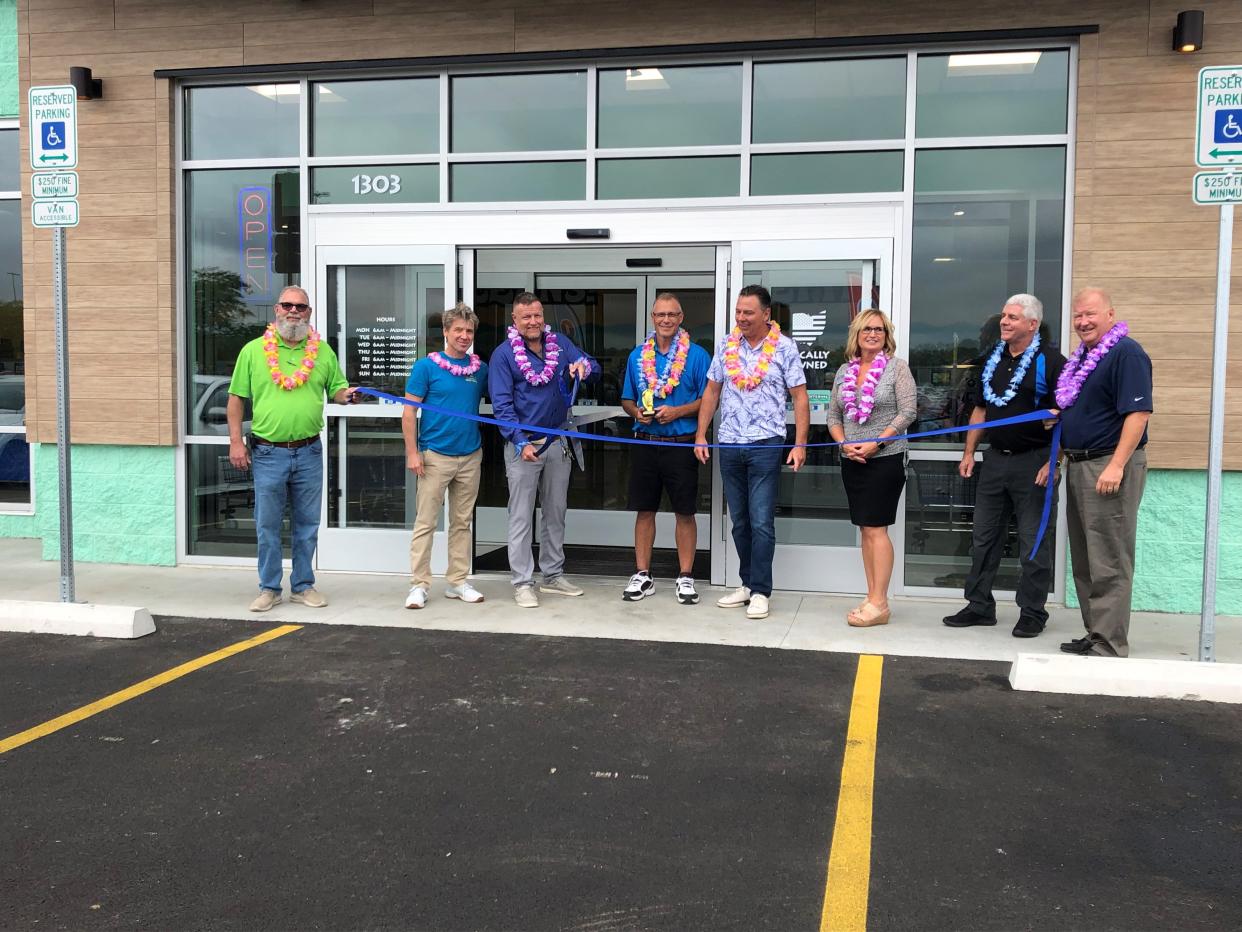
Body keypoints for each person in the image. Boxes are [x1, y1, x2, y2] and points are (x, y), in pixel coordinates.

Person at [227, 286, 359, 612]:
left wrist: (348, 396)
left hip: (309, 451)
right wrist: (234, 441)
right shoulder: (253, 351)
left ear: (309, 313)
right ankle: (269, 588)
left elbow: (337, 390)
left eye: (301, 307)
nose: (294, 311)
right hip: (268, 452)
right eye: (288, 305)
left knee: (307, 525)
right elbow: (235, 400)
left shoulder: (323, 352)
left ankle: (302, 586)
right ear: (276, 309)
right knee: (267, 525)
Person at [944, 294, 1067, 638]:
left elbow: (1065, 415)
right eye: (1004, 316)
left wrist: (1054, 462)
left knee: (1033, 542)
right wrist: (969, 452)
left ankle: (1032, 612)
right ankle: (979, 606)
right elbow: (981, 410)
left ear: (1032, 324)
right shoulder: (992, 360)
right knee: (983, 539)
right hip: (995, 461)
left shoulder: (1053, 361)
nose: (1005, 321)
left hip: (1035, 463)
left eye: (1013, 317)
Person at [695, 284, 809, 620]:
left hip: (765, 444)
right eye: (738, 312)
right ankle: (746, 584)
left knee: (761, 522)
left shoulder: (785, 349)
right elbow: (712, 391)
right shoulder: (726, 345)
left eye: (748, 312)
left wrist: (799, 444)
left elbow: (800, 398)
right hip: (729, 442)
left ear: (766, 314)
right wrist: (701, 434)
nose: (741, 318)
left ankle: (760, 590)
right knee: (740, 522)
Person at [1056, 287, 1152, 657]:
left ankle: (1110, 642)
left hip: (1107, 466)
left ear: (1111, 314)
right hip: (1080, 464)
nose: (1083, 321)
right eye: (1078, 316)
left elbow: (1138, 414)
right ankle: (1096, 632)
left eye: (1091, 314)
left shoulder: (1126, 353)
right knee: (1084, 558)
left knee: (1109, 557)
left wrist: (1116, 464)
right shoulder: (1084, 358)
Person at [489, 292, 599, 608]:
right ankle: (522, 582)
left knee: (556, 512)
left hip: (559, 442)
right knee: (521, 515)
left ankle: (552, 576)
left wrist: (583, 368)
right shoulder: (503, 355)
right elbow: (502, 405)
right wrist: (520, 441)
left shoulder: (560, 344)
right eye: (526, 317)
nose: (534, 322)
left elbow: (591, 365)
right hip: (525, 446)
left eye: (537, 315)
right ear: (515, 320)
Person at [618, 293, 711, 605]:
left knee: (685, 511)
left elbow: (707, 400)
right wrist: (636, 414)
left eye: (672, 314)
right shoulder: (636, 356)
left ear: (681, 317)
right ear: (653, 318)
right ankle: (642, 575)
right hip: (645, 443)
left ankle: (685, 576)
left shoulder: (697, 356)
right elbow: (627, 399)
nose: (666, 320)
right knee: (645, 510)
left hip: (681, 444)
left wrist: (677, 411)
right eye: (661, 315)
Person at [827, 310, 917, 627]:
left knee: (877, 529)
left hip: (886, 458)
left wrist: (876, 443)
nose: (873, 334)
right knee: (865, 529)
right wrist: (843, 444)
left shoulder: (897, 368)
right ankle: (872, 595)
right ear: (857, 334)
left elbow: (908, 412)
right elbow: (834, 417)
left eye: (879, 329)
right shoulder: (843, 371)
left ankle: (880, 603)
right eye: (867, 328)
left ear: (886, 334)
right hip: (853, 460)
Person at [401, 303, 488, 610]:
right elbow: (409, 411)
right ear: (446, 333)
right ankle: (419, 585)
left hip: (470, 455)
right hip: (434, 456)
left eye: (469, 331)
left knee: (462, 522)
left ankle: (458, 581)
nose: (464, 336)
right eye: (459, 330)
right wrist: (413, 452)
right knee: (425, 522)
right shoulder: (426, 367)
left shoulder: (480, 370)